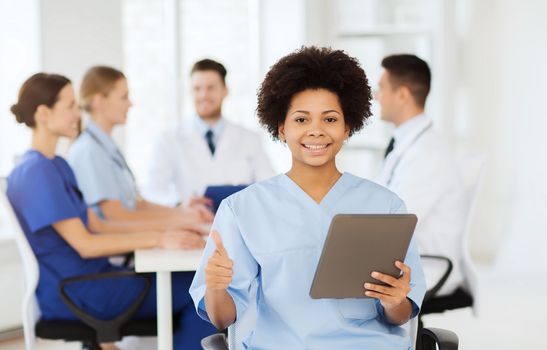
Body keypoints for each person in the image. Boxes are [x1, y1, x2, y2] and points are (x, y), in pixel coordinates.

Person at [189, 47, 426, 349]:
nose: (316, 131)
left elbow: (401, 315)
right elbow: (222, 319)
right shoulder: (242, 210)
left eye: (329, 120)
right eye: (301, 120)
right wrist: (216, 288)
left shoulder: (386, 205)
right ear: (281, 128)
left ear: (347, 127)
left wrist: (395, 302)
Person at [6, 73, 217, 349]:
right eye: (69, 106)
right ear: (44, 113)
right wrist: (159, 239)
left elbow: (99, 225)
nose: (77, 112)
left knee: (199, 282)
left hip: (93, 281)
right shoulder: (36, 172)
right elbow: (85, 244)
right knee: (204, 288)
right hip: (79, 291)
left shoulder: (56, 164)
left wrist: (167, 229)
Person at [67, 66, 213, 226]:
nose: (130, 104)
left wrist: (181, 212)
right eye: (124, 97)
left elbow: (137, 205)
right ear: (99, 101)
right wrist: (181, 219)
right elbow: (115, 216)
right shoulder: (89, 151)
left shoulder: (106, 148)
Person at [375, 54, 466, 295]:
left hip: (428, 267)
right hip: (406, 260)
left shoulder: (427, 153)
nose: (376, 96)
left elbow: (396, 223)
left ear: (402, 95)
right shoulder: (406, 143)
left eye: (381, 88)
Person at [144, 59, 275, 206]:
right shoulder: (168, 139)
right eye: (197, 89)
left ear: (225, 90)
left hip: (240, 223)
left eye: (210, 88)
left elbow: (268, 187)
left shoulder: (250, 139)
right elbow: (153, 191)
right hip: (191, 224)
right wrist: (180, 203)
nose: (203, 95)